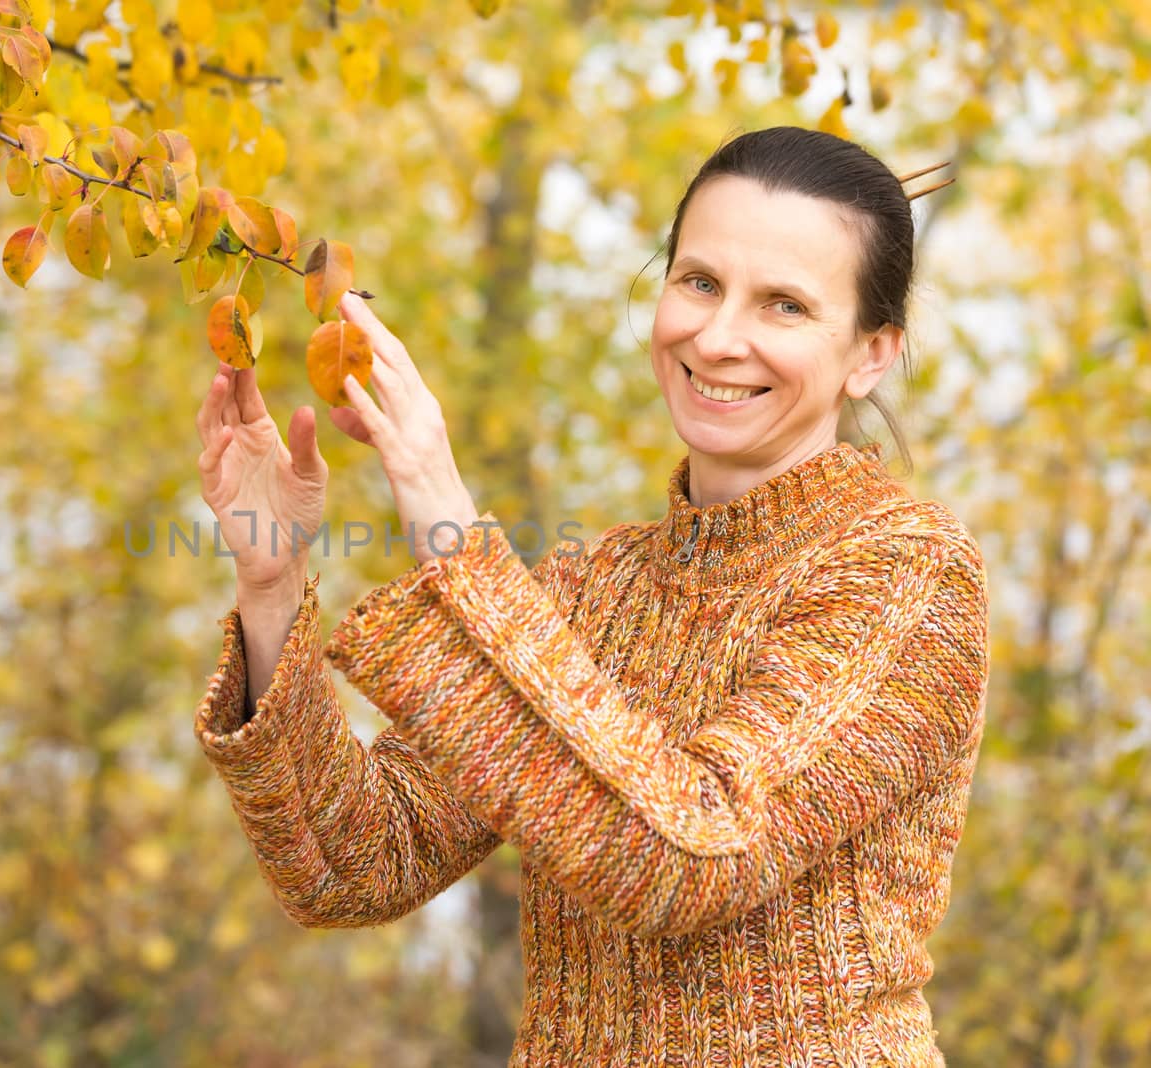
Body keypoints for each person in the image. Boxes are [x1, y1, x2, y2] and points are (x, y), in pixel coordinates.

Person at [190, 126, 988, 1066]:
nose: (719, 336)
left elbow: (689, 859)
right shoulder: (591, 585)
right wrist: (272, 584)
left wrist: (450, 525)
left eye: (784, 304)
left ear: (870, 354)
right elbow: (353, 865)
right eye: (699, 282)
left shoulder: (906, 572)